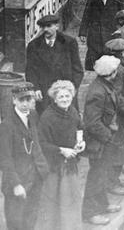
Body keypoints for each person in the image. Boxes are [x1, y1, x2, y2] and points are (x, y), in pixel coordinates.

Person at [82, 55, 124, 225]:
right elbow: (92, 123)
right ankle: (90, 212)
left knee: (102, 173)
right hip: (98, 142)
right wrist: (107, 138)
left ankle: (102, 205)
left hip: (105, 139)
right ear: (111, 73)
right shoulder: (97, 93)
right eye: (115, 72)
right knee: (96, 176)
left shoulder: (106, 85)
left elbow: (114, 103)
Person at [36, 80, 85, 230]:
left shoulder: (73, 111)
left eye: (67, 96)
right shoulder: (47, 117)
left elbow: (79, 128)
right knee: (55, 201)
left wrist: (81, 143)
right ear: (55, 99)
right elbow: (42, 143)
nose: (65, 99)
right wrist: (61, 150)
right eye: (61, 97)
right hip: (55, 166)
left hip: (70, 164)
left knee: (72, 198)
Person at [0, 82, 49, 230]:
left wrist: (43, 169)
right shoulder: (7, 125)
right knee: (16, 221)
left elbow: (36, 143)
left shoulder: (33, 115)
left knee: (31, 217)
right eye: (22, 100)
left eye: (29, 100)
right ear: (14, 100)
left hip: (35, 176)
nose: (26, 104)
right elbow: (5, 159)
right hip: (18, 181)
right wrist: (16, 184)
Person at [25, 14, 83, 113]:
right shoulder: (34, 45)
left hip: (65, 91)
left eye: (49, 26)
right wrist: (36, 88)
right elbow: (30, 70)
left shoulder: (69, 43)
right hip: (45, 91)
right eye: (43, 27)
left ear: (57, 26)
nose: (46, 29)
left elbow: (77, 69)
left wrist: (72, 88)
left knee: (68, 120)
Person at [79, 0, 124, 71]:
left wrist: (122, 29)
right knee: (95, 62)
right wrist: (83, 32)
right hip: (95, 33)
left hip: (112, 32)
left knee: (113, 61)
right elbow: (87, 13)